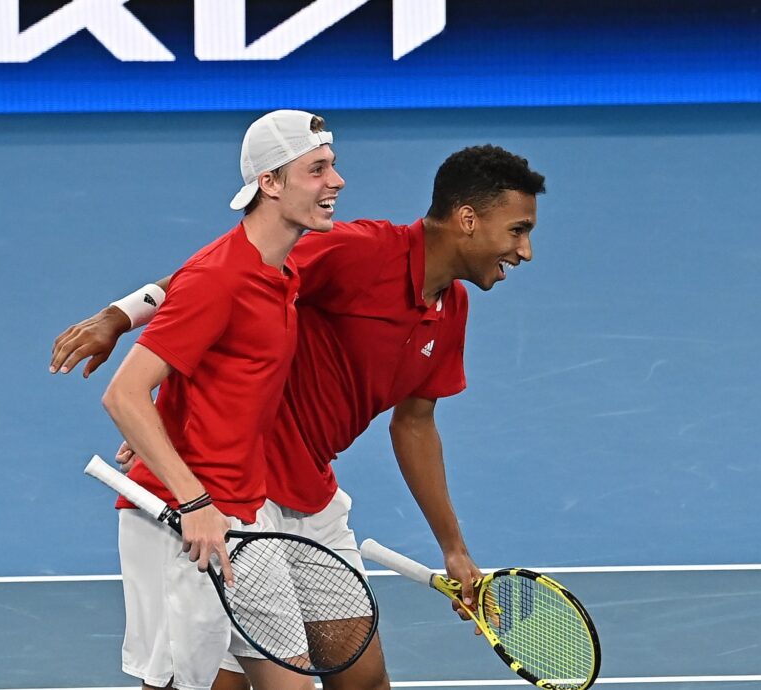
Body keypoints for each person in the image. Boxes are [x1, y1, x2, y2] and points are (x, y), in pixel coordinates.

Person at [52, 144, 545, 690]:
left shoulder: (451, 309)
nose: (524, 251)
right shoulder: (361, 252)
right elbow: (220, 276)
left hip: (312, 492)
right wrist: (121, 315)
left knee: (362, 678)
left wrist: (453, 548)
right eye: (517, 230)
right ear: (468, 219)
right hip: (243, 491)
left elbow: (414, 424)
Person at [97, 109, 344, 690]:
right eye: (318, 169)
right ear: (271, 183)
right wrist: (194, 500)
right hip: (185, 521)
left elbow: (205, 376)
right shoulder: (221, 277)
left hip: (246, 511)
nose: (336, 181)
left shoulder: (280, 273)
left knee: (291, 683)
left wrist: (161, 424)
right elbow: (124, 393)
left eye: (333, 166)